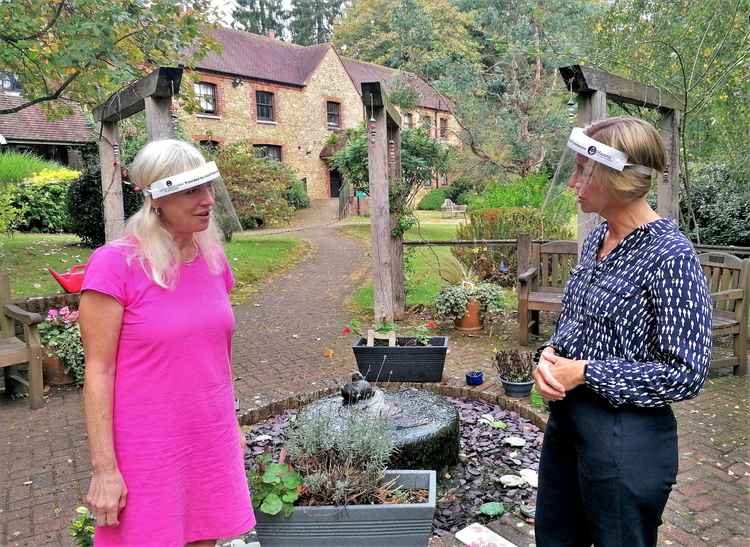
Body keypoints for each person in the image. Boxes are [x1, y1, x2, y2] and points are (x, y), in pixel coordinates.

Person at [532, 116, 713, 547]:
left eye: (583, 171)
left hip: (625, 440)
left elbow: (686, 373)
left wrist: (587, 373)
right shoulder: (597, 239)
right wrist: (550, 354)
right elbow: (577, 320)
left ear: (617, 178)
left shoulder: (671, 256)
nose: (572, 182)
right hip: (568, 426)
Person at [79, 139, 254, 546]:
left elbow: (218, 356)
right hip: (148, 446)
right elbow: (98, 371)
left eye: (208, 186)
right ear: (155, 197)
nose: (207, 199)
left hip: (209, 433)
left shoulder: (213, 261)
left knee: (205, 537)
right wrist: (105, 468)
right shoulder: (114, 265)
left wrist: (233, 421)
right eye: (191, 190)